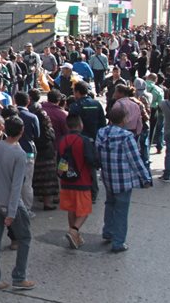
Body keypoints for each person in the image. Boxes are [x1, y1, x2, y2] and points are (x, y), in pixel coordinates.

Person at [0, 115, 35, 292]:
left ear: (4, 129)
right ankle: (19, 276)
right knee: (24, 238)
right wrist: (11, 213)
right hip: (11, 204)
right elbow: (17, 186)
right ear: (21, 132)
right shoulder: (19, 154)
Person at [96, 104, 153, 253]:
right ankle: (118, 242)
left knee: (110, 204)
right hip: (123, 179)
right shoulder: (126, 136)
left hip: (108, 176)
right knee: (121, 210)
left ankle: (108, 231)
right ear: (124, 120)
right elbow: (135, 160)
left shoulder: (101, 133)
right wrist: (146, 178)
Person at [56, 113, 98, 248]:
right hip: (82, 180)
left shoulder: (62, 140)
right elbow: (91, 160)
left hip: (66, 180)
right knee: (85, 210)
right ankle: (73, 230)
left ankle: (74, 235)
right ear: (80, 125)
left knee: (71, 208)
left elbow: (59, 160)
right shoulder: (84, 140)